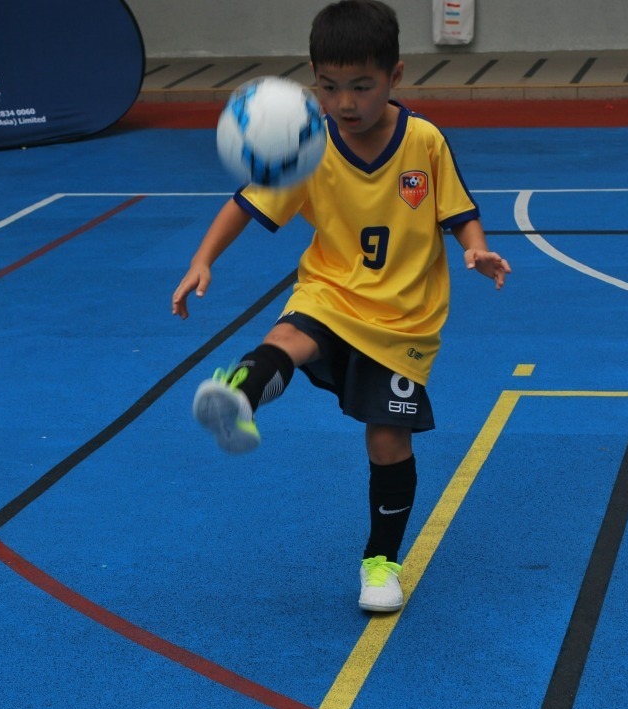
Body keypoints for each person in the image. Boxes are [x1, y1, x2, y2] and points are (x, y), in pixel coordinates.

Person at [171, 0, 510, 613]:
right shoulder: (307, 145)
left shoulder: (423, 141)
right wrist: (203, 258)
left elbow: (458, 210)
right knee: (287, 339)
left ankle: (380, 563)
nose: (345, 102)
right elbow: (244, 204)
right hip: (329, 292)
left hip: (404, 319)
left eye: (361, 86)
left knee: (388, 441)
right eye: (328, 87)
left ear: (395, 76)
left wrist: (476, 249)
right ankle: (240, 395)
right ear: (312, 81)